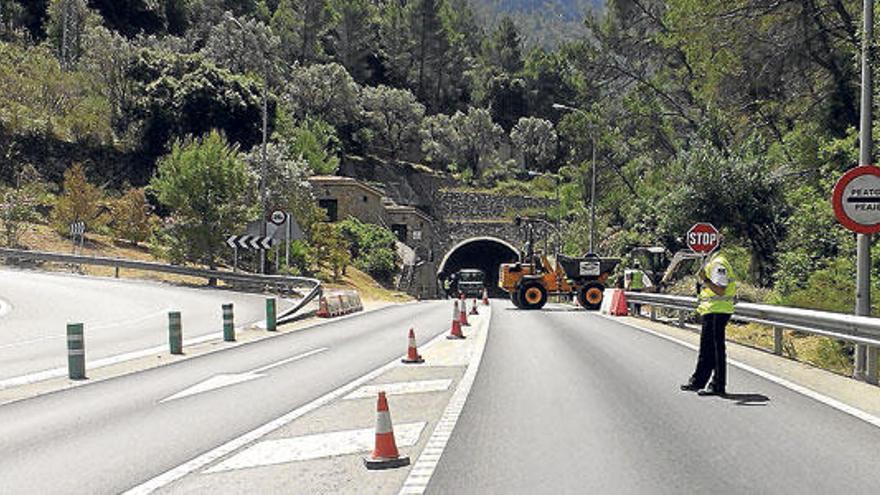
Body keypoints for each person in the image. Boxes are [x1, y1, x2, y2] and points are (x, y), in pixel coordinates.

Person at [680, 248, 737, 396]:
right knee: (706, 348)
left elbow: (720, 290)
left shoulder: (718, 263)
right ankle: (698, 381)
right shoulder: (712, 262)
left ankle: (718, 385)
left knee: (716, 349)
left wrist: (705, 280)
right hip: (711, 310)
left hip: (718, 311)